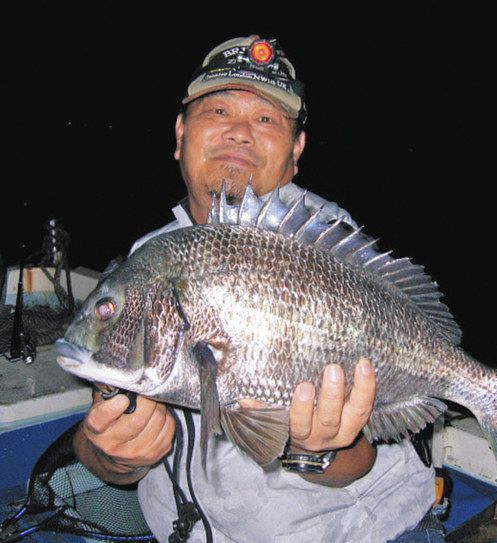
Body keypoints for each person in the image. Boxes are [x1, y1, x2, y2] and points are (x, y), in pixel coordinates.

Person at [72, 35, 444, 543]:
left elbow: (357, 462)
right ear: (180, 134)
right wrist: (109, 451)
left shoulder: (328, 247)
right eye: (219, 109)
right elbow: (105, 440)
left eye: (266, 119)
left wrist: (316, 446)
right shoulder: (150, 259)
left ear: (296, 151)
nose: (240, 132)